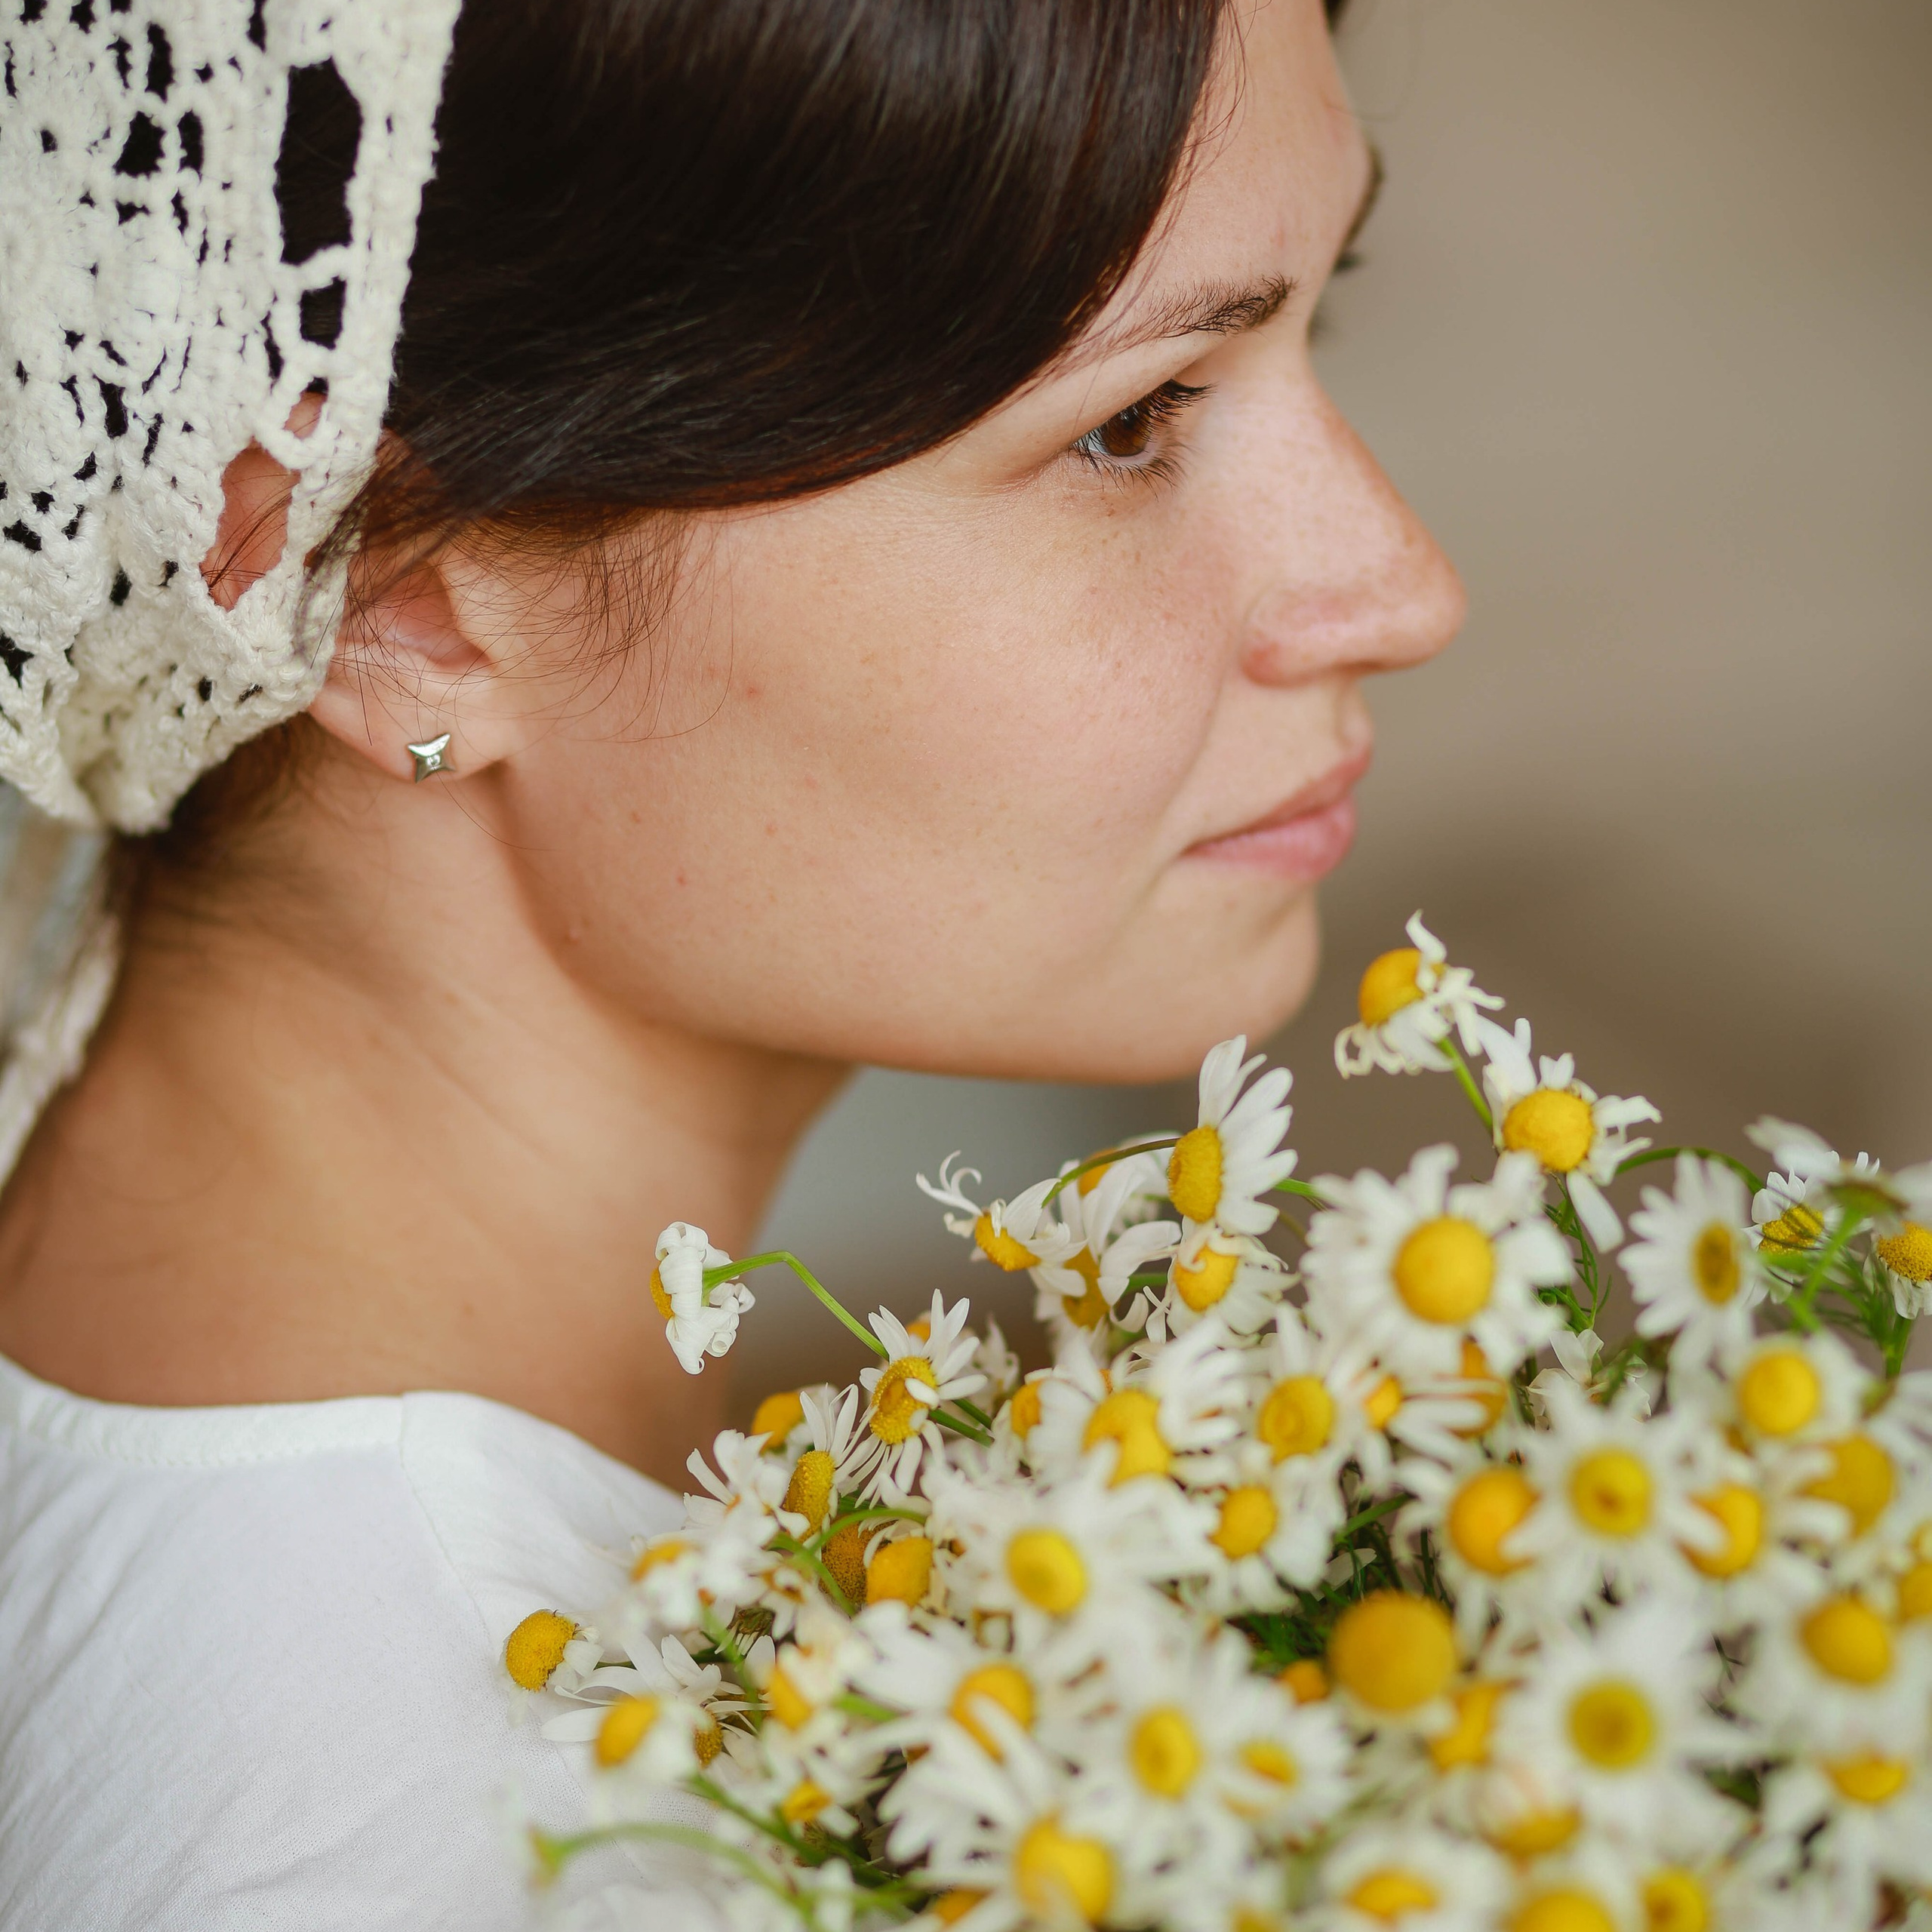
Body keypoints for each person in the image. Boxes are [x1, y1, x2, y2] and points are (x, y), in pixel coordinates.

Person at [0, 0, 1459, 1923]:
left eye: (1310, 317)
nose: (1402, 586)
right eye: (1130, 421)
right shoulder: (461, 1833)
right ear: (395, 604)